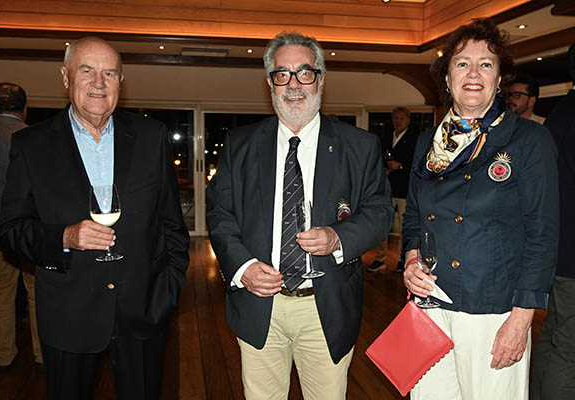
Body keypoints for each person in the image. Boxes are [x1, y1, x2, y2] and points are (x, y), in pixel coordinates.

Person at [0, 37, 190, 400]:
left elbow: (171, 225)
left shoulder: (151, 137)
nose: (99, 83)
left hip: (143, 310)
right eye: (87, 70)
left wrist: (168, 289)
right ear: (66, 77)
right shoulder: (32, 145)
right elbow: (10, 229)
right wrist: (64, 238)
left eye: (109, 73)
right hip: (68, 313)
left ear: (121, 81)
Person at [206, 32, 393, 400]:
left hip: (326, 307)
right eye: (282, 74)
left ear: (320, 79)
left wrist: (339, 237)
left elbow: (380, 211)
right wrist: (244, 267)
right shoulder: (239, 145)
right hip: (260, 305)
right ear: (270, 83)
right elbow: (219, 214)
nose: (293, 84)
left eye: (305, 73)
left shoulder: (359, 146)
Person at [402, 19, 558, 399]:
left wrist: (520, 321)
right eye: (462, 63)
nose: (473, 74)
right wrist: (410, 259)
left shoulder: (528, 139)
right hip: (430, 305)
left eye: (485, 64)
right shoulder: (428, 142)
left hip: (492, 313)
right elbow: (415, 217)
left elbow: (543, 235)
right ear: (447, 78)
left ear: (499, 78)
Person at [0, 82, 43, 371]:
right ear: (25, 108)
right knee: (37, 293)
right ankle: (42, 355)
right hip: (29, 228)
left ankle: (2, 356)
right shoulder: (35, 137)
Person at [530, 43, 575, 400]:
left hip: (559, 249)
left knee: (554, 335)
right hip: (571, 254)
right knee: (569, 348)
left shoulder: (561, 111)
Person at [367, 106, 418, 273]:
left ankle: (403, 260)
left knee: (405, 227)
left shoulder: (415, 139)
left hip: (404, 190)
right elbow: (378, 158)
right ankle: (379, 259)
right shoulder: (386, 137)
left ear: (408, 120)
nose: (398, 121)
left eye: (402, 118)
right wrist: (383, 168)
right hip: (386, 188)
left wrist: (400, 166)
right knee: (382, 225)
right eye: (396, 118)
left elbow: (417, 164)